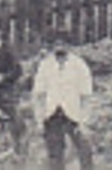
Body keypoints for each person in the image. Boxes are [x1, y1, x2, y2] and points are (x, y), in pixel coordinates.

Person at [31, 36, 93, 169]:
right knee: (55, 154)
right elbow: (38, 95)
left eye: (63, 43)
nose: (60, 47)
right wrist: (39, 120)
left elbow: (86, 96)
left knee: (84, 150)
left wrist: (84, 121)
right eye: (56, 44)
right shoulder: (45, 65)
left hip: (74, 114)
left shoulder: (79, 65)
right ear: (52, 46)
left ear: (69, 45)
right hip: (52, 114)